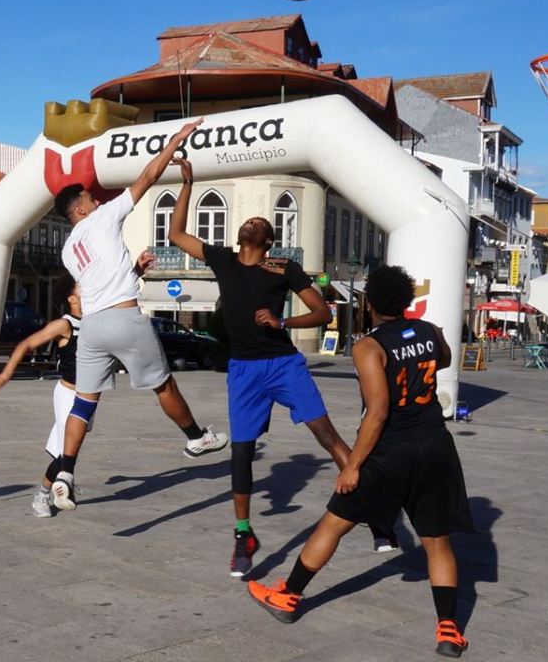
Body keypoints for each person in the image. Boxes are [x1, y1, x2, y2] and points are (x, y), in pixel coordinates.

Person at [168, 158, 395, 576]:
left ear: (268, 240)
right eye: (248, 219)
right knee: (241, 452)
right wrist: (188, 185)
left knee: (326, 435)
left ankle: (374, 512)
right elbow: (177, 234)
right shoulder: (222, 259)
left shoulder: (282, 268)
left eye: (259, 221)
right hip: (244, 370)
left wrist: (282, 321)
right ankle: (243, 535)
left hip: (284, 365)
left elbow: (322, 311)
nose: (251, 221)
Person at [246, 265, 473, 658]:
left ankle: (288, 597)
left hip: (391, 452)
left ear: (369, 303)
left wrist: (352, 466)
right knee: (437, 542)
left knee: (333, 524)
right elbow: (445, 358)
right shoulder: (431, 331)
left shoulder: (369, 346)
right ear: (406, 301)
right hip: (436, 445)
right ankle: (449, 630)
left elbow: (378, 412)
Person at [51, 118, 228, 512]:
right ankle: (196, 437)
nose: (96, 199)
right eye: (90, 198)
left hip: (93, 327)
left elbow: (100, 282)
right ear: (80, 208)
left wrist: (135, 272)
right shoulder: (102, 216)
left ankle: (65, 473)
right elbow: (148, 176)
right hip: (125, 320)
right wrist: (175, 141)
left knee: (84, 402)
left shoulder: (68, 249)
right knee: (164, 385)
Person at [0, 276, 84, 517]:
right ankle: (42, 496)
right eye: (83, 287)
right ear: (72, 298)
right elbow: (27, 344)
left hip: (87, 397)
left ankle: (63, 481)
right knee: (66, 453)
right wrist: (4, 375)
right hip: (68, 394)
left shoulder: (95, 320)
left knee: (70, 451)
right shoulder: (64, 325)